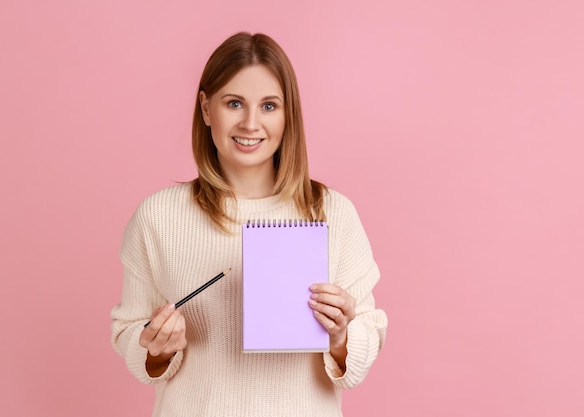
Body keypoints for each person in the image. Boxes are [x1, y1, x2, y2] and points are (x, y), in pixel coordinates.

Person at [110, 32, 387, 417]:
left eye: (269, 106)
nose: (251, 123)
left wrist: (341, 336)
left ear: (289, 114)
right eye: (234, 103)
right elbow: (128, 332)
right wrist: (154, 347)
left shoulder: (332, 214)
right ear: (206, 108)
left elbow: (366, 343)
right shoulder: (158, 217)